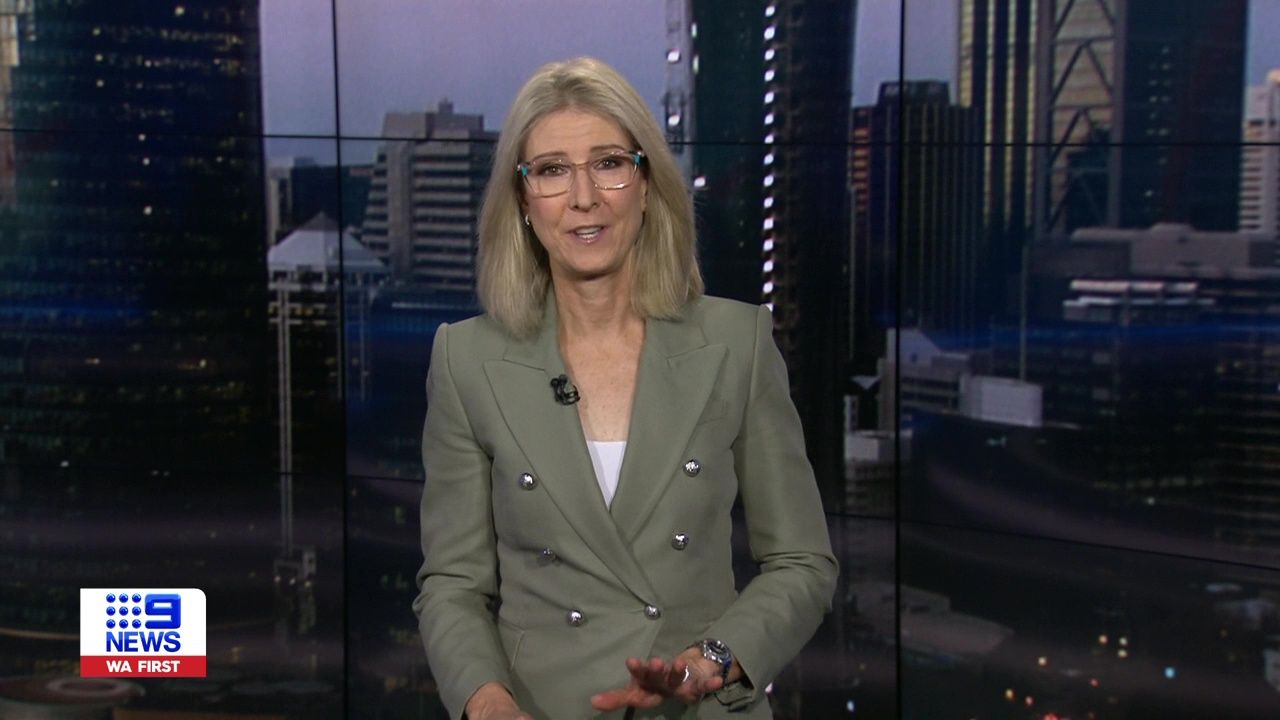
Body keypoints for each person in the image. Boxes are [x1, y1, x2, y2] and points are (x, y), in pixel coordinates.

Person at [412, 57, 837, 720]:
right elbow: (452, 584)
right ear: (523, 199)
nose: (584, 197)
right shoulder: (467, 360)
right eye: (552, 170)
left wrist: (710, 662)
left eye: (608, 163)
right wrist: (486, 701)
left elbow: (803, 563)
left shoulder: (737, 343)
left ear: (645, 184)